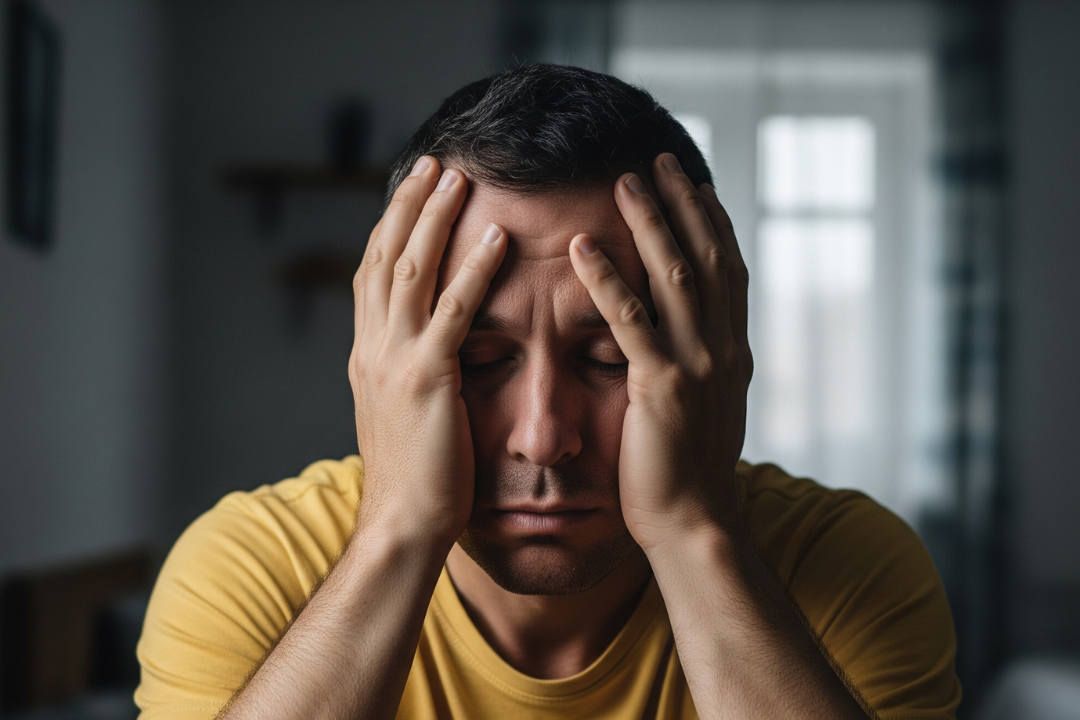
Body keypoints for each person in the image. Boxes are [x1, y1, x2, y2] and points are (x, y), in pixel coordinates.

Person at [135, 64, 961, 720]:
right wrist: (397, 532)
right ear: (383, 363)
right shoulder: (252, 566)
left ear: (711, 359)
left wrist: (692, 533)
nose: (542, 436)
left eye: (610, 360)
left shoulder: (850, 565)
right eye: (479, 360)